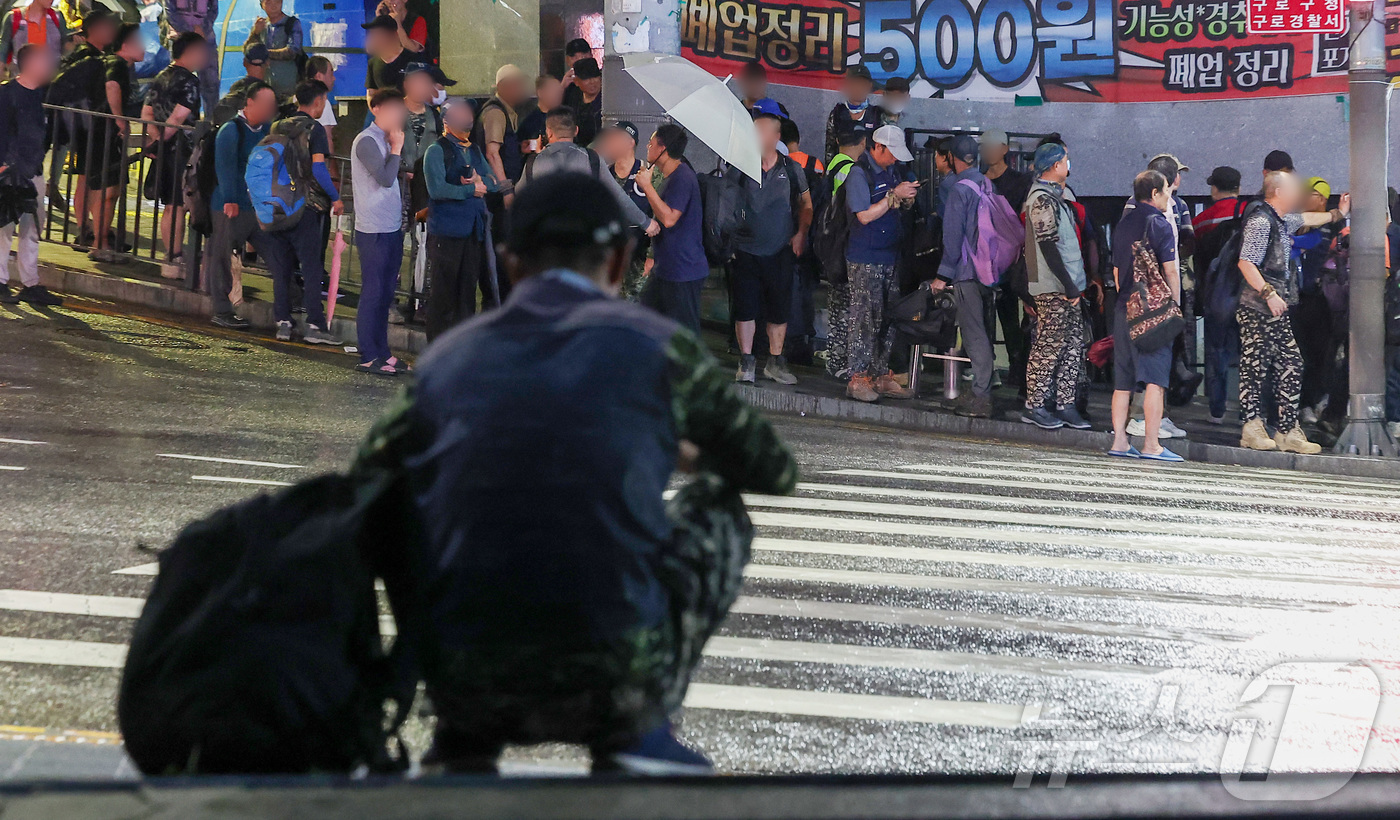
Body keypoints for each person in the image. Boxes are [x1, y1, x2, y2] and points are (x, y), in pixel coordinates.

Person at [355, 170, 796, 776]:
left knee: (391, 503)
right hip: (614, 672)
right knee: (718, 506)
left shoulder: (446, 361)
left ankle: (460, 735)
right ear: (618, 261)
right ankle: (643, 727)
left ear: (511, 265)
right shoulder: (660, 347)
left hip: (469, 672)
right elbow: (773, 470)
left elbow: (363, 488)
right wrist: (679, 448)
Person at [1236, 171, 1348, 454]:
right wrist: (1269, 293)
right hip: (1258, 307)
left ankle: (1286, 429)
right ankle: (1252, 427)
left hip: (1276, 308)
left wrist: (1337, 213)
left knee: (1292, 363)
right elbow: (1247, 263)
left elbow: (1310, 219)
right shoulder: (1262, 221)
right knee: (1255, 367)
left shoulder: (1280, 219)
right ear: (1278, 192)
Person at [728, 112, 812, 386]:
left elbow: (806, 205)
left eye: (762, 132)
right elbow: (725, 205)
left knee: (779, 309)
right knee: (745, 309)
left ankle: (775, 362)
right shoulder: (739, 166)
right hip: (745, 251)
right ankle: (747, 361)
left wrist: (800, 234)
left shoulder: (791, 169)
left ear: (776, 138)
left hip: (780, 251)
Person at [260, 79, 343, 345]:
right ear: (318, 101)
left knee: (282, 266)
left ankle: (283, 322)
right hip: (305, 207)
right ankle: (316, 326)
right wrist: (335, 196)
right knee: (311, 267)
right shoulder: (314, 129)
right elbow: (319, 169)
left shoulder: (277, 126)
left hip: (277, 204)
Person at [1108, 171, 1182, 462]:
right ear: (1153, 193)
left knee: (1123, 381)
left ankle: (1120, 442)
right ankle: (1152, 444)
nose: (1169, 197)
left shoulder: (1123, 223)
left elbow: (1116, 273)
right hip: (1153, 314)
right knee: (1155, 380)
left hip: (1124, 307)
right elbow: (1171, 270)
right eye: (1166, 191)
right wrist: (1173, 307)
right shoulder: (1159, 224)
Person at [842, 124, 917, 402]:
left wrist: (905, 198)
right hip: (866, 257)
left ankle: (880, 374)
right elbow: (863, 215)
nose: (895, 159)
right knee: (864, 319)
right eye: (892, 153)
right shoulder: (858, 174)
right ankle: (858, 378)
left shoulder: (893, 171)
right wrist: (893, 196)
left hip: (890, 256)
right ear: (878, 147)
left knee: (888, 318)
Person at [1020, 142, 1089, 430]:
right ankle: (1035, 405)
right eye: (1066, 161)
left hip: (1067, 285)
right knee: (1049, 345)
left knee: (1072, 345)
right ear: (1055, 165)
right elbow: (1048, 247)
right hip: (1053, 287)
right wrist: (1068, 286)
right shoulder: (1042, 200)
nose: (1068, 165)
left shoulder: (1055, 197)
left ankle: (1065, 403)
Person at [422, 96, 501, 340]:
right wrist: (471, 189)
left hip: (472, 232)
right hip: (446, 233)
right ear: (446, 119)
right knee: (443, 295)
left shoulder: (474, 149)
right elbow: (437, 190)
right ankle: (437, 350)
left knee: (467, 293)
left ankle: (462, 348)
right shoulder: (436, 151)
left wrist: (480, 183)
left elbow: (493, 183)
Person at [203, 80, 277, 329]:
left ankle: (291, 303)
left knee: (276, 253)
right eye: (265, 104)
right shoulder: (230, 130)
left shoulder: (265, 129)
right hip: (230, 206)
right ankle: (221, 310)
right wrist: (230, 199)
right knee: (222, 257)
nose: (269, 109)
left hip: (254, 206)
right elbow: (225, 168)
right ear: (250, 103)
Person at [933, 134, 994, 417]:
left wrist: (942, 275)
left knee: (973, 333)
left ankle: (981, 395)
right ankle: (981, 388)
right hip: (989, 270)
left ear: (953, 158)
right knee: (983, 330)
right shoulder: (987, 183)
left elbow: (953, 236)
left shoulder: (959, 189)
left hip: (968, 270)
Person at [141, 30, 208, 277]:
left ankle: (170, 257)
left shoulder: (160, 76)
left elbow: (146, 113)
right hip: (182, 150)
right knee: (179, 205)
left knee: (170, 205)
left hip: (164, 150)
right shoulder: (189, 81)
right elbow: (179, 117)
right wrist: (166, 139)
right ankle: (175, 257)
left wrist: (157, 140)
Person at [351, 87, 408, 375]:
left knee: (386, 293)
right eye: (393, 110)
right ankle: (367, 354)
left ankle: (383, 352)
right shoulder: (366, 141)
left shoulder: (387, 139)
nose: (399, 115)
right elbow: (386, 179)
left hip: (391, 225)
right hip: (373, 229)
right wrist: (396, 148)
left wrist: (397, 148)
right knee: (373, 292)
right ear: (377, 110)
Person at [0, 43, 59, 305]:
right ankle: (0, 281)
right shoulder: (6, 94)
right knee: (4, 228)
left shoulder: (42, 94)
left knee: (32, 228)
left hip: (33, 171)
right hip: (8, 172)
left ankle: (30, 282)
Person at [636, 123, 707, 334]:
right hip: (666, 267)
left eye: (651, 143)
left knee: (685, 334)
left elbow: (669, 219)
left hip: (683, 269)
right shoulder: (668, 176)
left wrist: (647, 187)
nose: (648, 146)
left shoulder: (683, 178)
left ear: (663, 149)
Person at [85, 20, 142, 265]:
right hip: (105, 135)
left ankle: (101, 241)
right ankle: (100, 243)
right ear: (127, 44)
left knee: (106, 189)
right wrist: (120, 121)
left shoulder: (113, 63)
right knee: (108, 190)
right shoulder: (117, 64)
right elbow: (111, 86)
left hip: (98, 134)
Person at [1192, 165, 1244, 424]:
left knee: (1217, 351)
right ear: (1239, 188)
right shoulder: (1250, 214)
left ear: (1214, 189)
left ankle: (1217, 409)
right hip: (1248, 293)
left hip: (1217, 295)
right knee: (1250, 353)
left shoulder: (1202, 220)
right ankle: (1251, 410)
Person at [980, 127, 1031, 390]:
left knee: (1011, 316)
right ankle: (985, 369)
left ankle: (1016, 366)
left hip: (1011, 260)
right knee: (982, 316)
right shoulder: (978, 181)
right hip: (983, 258)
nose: (986, 151)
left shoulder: (1021, 182)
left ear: (1004, 149)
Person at [1293, 176, 1342, 425]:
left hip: (1320, 300)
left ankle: (1312, 401)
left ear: (1321, 198)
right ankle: (1300, 405)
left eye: (1308, 194)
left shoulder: (1332, 226)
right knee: (1298, 354)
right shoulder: (1296, 221)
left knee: (1320, 354)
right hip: (1294, 299)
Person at [822, 124, 866, 381]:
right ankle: (842, 362)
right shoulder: (850, 170)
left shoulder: (833, 164)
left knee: (837, 304)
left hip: (831, 244)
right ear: (862, 143)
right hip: (845, 243)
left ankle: (835, 358)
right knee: (847, 306)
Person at [597, 119, 651, 301]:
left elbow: (658, 217)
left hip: (639, 259)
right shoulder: (604, 174)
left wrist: (653, 257)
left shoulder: (647, 173)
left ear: (630, 143)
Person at [159, 0, 219, 115]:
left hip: (205, 38)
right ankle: (174, 122)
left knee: (210, 83)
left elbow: (213, 10)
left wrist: (202, 29)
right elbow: (170, 12)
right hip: (179, 39)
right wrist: (190, 31)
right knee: (177, 83)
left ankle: (211, 122)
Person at [479, 63, 528, 187]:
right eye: (516, 84)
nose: (521, 89)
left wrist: (518, 148)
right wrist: (506, 190)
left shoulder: (508, 111)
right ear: (501, 86)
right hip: (497, 190)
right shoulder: (495, 112)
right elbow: (492, 154)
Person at [245, 0, 303, 96]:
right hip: (265, 86)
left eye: (277, 1)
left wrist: (264, 54)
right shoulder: (261, 25)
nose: (273, 6)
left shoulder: (292, 23)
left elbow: (293, 51)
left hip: (288, 87)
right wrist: (255, 33)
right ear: (262, 5)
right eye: (269, 2)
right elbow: (248, 52)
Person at [823, 65, 879, 163]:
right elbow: (830, 149)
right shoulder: (837, 113)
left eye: (862, 83)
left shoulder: (877, 115)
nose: (858, 87)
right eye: (854, 83)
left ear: (870, 85)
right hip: (841, 171)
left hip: (868, 173)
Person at [0, 0, 64, 71]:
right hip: (21, 75)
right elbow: (3, 47)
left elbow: (67, 44)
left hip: (52, 75)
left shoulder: (57, 17)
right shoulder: (14, 17)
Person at [401, 62, 441, 172]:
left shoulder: (435, 115)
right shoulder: (393, 112)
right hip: (398, 180)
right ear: (406, 84)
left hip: (427, 180)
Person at [362, 14, 410, 97]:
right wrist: (376, 108)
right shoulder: (372, 63)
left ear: (393, 35)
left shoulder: (412, 60)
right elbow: (371, 93)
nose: (374, 38)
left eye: (379, 34)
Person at [518, 73, 562, 155]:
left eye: (560, 92)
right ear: (541, 93)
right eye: (553, 91)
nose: (558, 95)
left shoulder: (564, 117)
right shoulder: (529, 121)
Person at [304, 55, 338, 152]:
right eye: (331, 73)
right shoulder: (322, 103)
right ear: (319, 76)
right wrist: (332, 165)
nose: (334, 78)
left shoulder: (296, 98)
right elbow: (327, 139)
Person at [569, 57, 602, 147]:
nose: (592, 82)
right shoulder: (573, 98)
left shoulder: (607, 100)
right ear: (576, 81)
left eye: (595, 77)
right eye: (586, 78)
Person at [560, 37, 591, 108]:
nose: (579, 60)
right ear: (567, 60)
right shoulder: (567, 83)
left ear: (591, 55)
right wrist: (562, 87)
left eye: (584, 56)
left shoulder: (600, 78)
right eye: (574, 57)